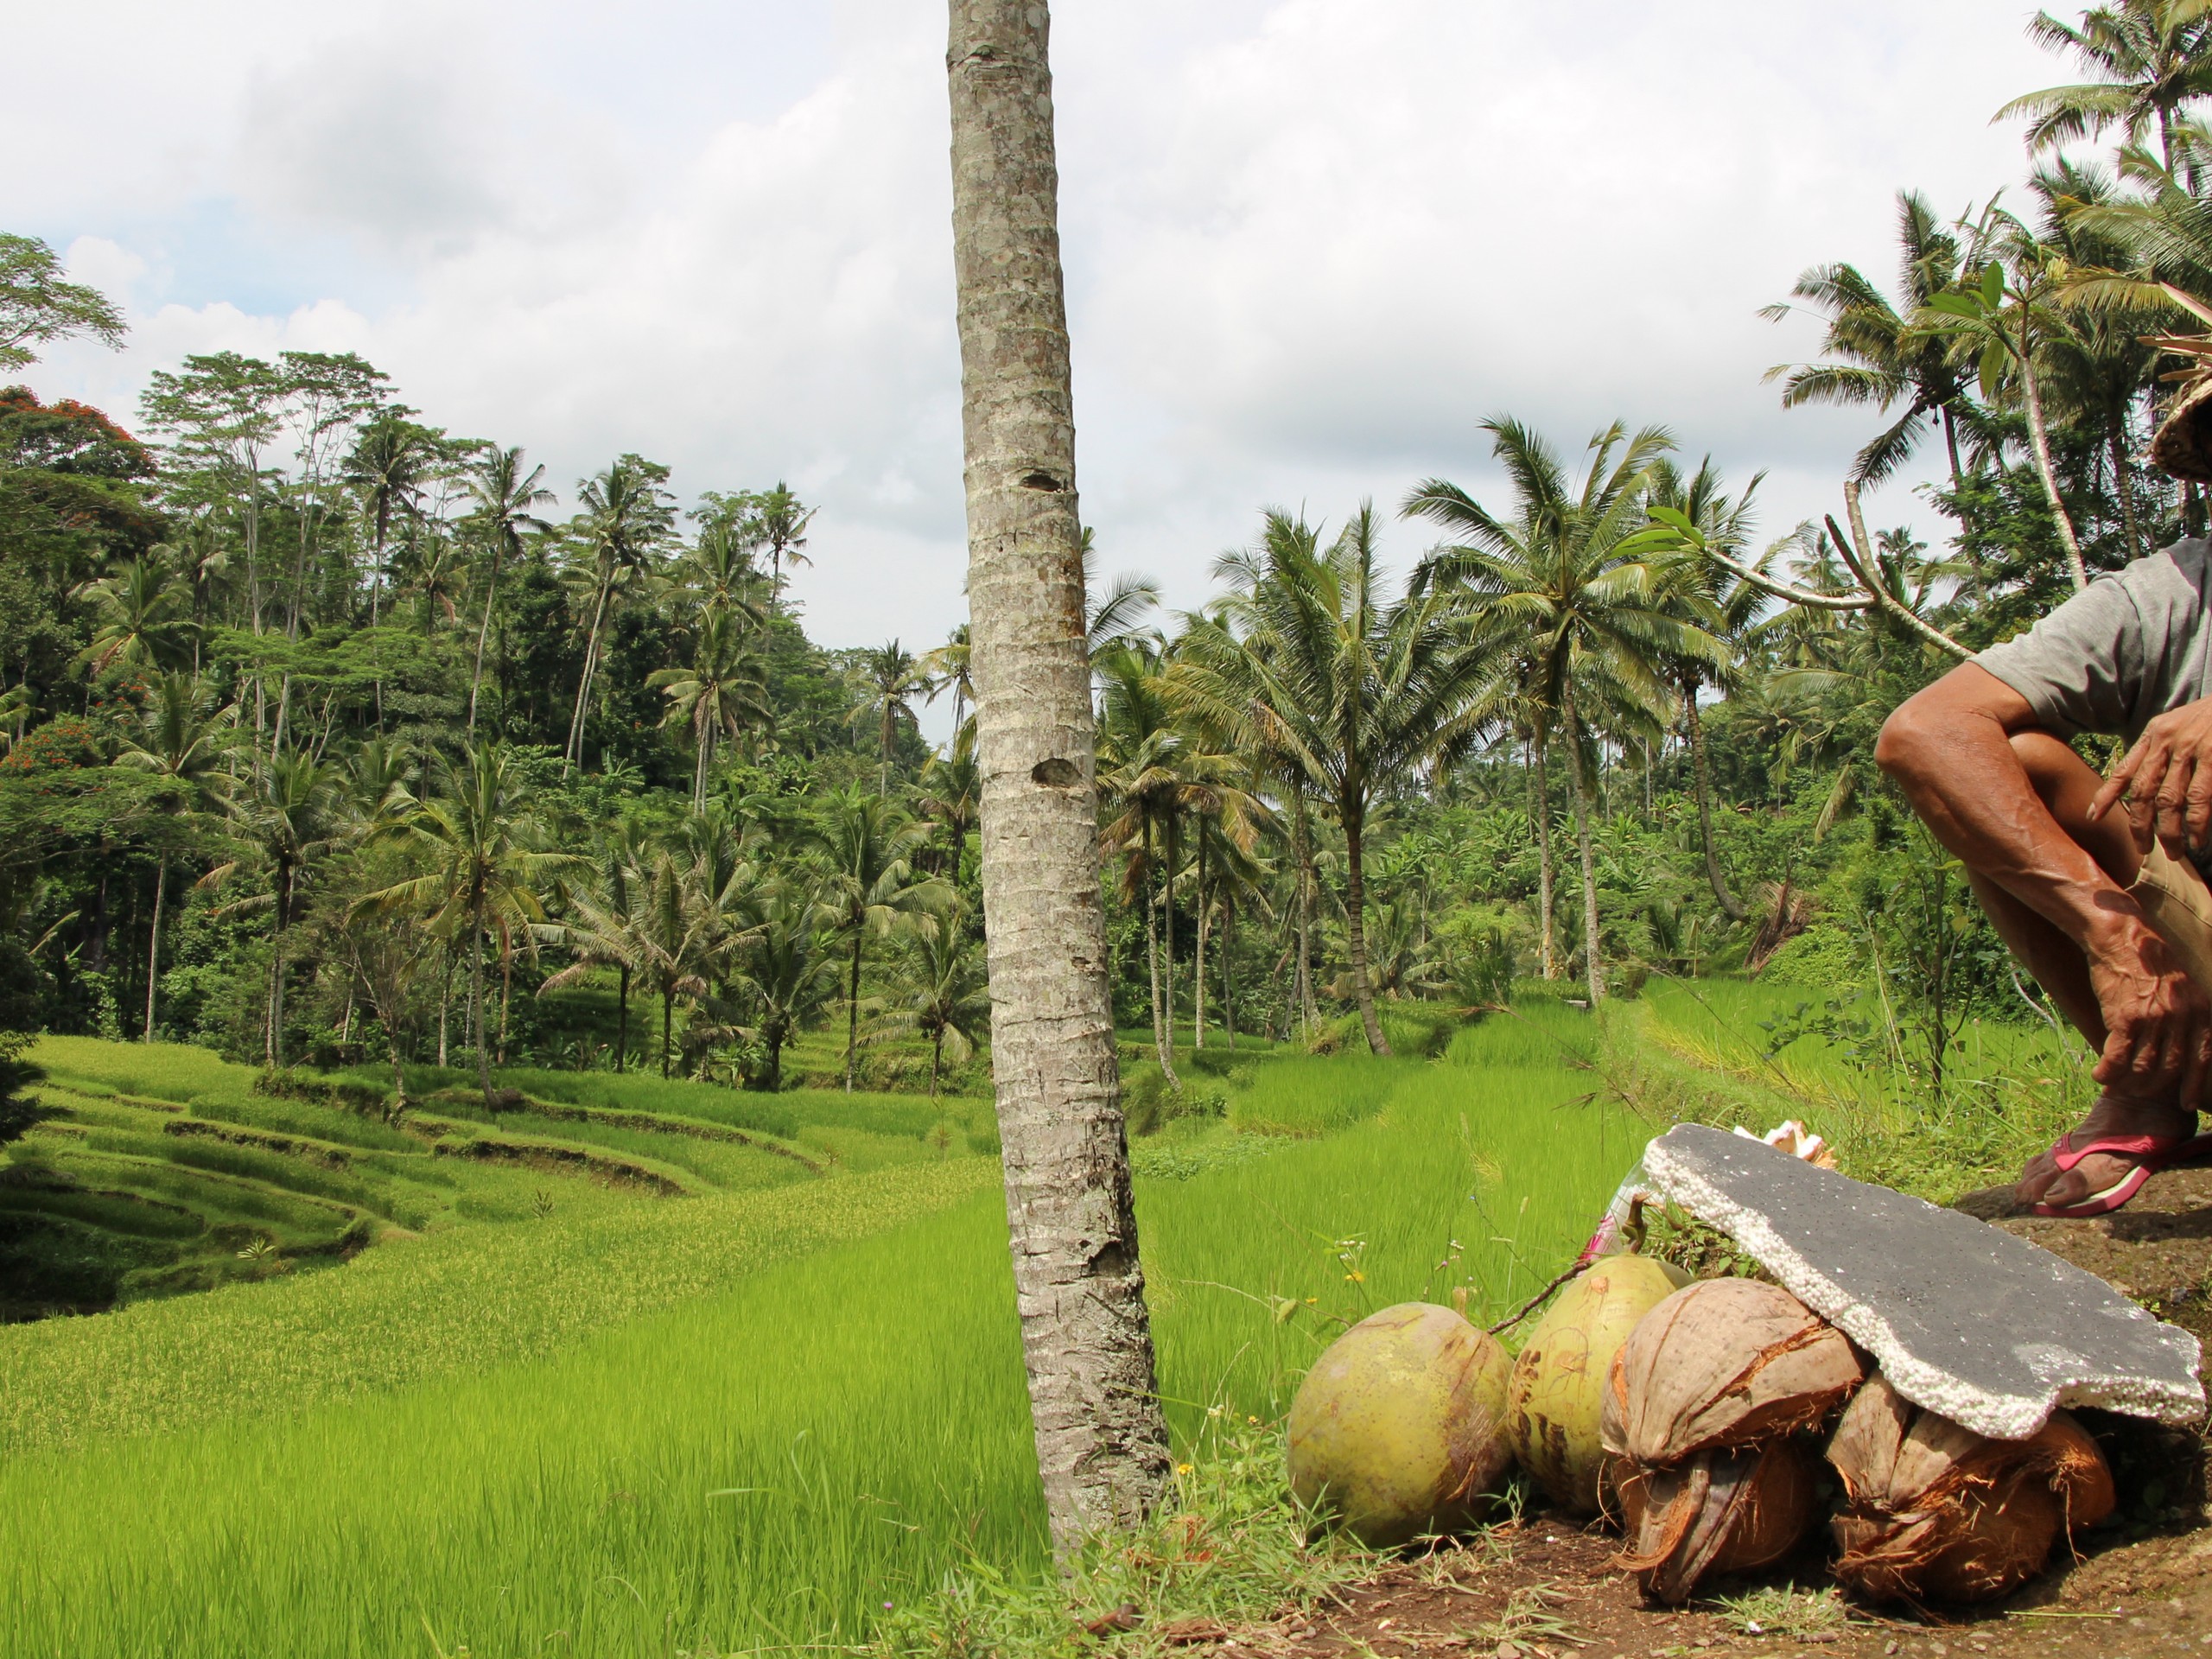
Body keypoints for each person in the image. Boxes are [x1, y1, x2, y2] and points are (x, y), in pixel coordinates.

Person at [1877, 379, 2212, 1217]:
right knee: (2010, 768)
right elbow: (1923, 732)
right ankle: (2147, 1087)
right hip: (2195, 980)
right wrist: (2115, 937)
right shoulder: (2172, 592)